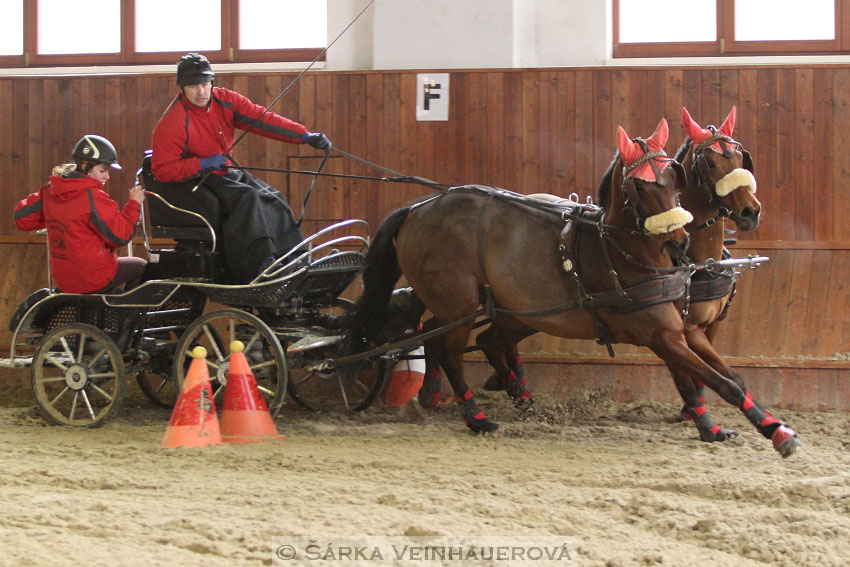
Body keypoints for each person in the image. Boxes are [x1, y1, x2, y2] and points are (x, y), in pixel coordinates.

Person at [151, 52, 332, 283]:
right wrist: (202, 163)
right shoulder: (173, 122)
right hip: (196, 178)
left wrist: (304, 136)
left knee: (273, 196)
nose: (201, 92)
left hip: (223, 171)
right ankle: (260, 269)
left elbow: (263, 119)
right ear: (182, 88)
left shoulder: (225, 100)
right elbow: (162, 170)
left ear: (212, 83)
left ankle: (296, 260)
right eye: (194, 86)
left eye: (205, 84)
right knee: (247, 198)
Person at [14, 135, 147, 294]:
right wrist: (134, 204)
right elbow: (120, 236)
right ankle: (127, 316)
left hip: (64, 279)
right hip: (92, 278)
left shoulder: (51, 190)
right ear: (85, 165)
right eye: (102, 170)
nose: (107, 177)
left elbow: (23, 219)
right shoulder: (94, 197)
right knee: (140, 266)